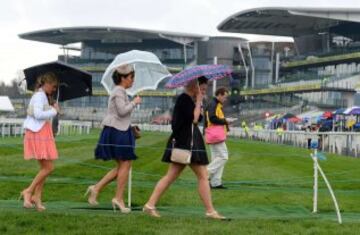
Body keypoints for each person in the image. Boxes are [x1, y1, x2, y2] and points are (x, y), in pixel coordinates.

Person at [143, 77, 226, 220]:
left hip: (188, 142)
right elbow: (194, 119)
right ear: (194, 86)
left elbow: (198, 118)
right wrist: (199, 101)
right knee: (201, 176)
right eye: (203, 88)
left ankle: (150, 205)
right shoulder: (184, 99)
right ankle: (210, 211)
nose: (204, 91)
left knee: (178, 176)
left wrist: (198, 103)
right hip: (186, 143)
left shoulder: (188, 100)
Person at [85, 64, 141, 213]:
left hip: (119, 130)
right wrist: (134, 103)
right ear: (123, 78)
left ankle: (96, 189)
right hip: (116, 131)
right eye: (131, 77)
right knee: (125, 164)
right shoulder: (118, 91)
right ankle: (118, 198)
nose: (132, 80)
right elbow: (122, 112)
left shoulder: (121, 91)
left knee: (123, 166)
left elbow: (122, 114)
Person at [20, 72, 60, 211]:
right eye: (53, 86)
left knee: (45, 168)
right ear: (47, 83)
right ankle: (29, 191)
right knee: (48, 168)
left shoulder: (43, 96)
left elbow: (41, 113)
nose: (54, 89)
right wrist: (53, 111)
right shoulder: (39, 96)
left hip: (41, 132)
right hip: (37, 133)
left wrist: (52, 107)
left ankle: (37, 197)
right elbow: (37, 115)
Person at [205, 87, 231, 189]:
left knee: (216, 158)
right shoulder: (214, 104)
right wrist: (225, 121)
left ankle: (215, 182)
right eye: (224, 97)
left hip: (212, 134)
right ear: (219, 95)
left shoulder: (215, 104)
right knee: (224, 156)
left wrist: (225, 121)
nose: (225, 99)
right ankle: (206, 173)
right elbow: (212, 119)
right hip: (215, 135)